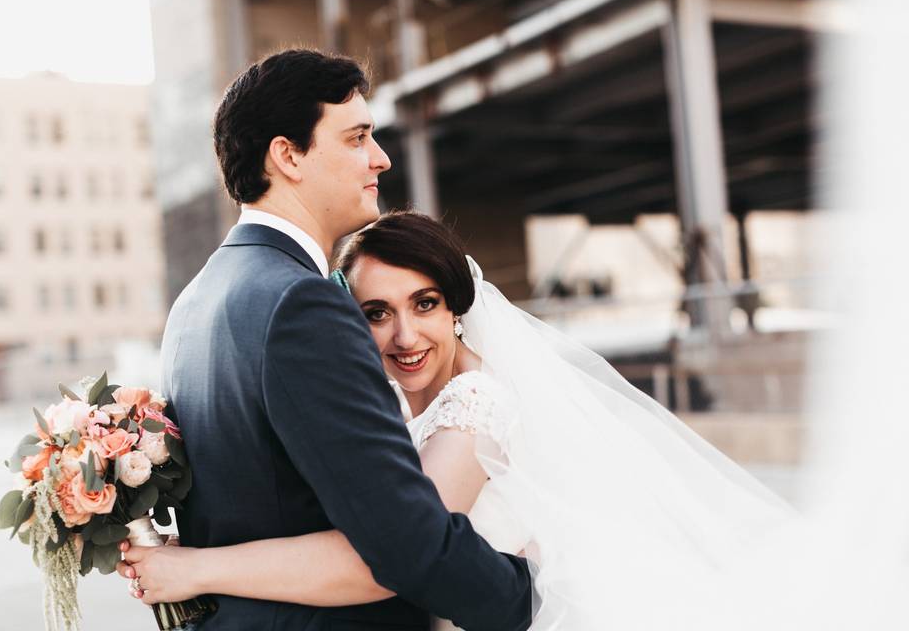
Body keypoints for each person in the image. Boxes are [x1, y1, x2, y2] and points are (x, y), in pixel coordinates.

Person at [119, 212, 796, 630]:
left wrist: (196, 570)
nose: (404, 335)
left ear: (456, 310)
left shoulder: (479, 403)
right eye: (376, 313)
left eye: (425, 303)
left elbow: (393, 560)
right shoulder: (387, 406)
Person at [129, 49, 533, 631]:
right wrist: (536, 597)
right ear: (288, 155)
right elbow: (402, 541)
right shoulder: (300, 303)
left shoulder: (194, 302)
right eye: (356, 138)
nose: (381, 157)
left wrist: (190, 570)